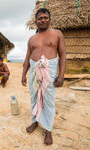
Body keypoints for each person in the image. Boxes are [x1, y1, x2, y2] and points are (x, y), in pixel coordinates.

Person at [21, 8, 66, 145]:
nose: (43, 20)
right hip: (34, 70)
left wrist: (61, 75)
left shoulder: (57, 34)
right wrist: (23, 74)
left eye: (45, 17)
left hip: (49, 70)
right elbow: (27, 58)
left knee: (48, 99)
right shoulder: (31, 39)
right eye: (40, 18)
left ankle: (48, 129)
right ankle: (35, 121)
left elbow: (63, 55)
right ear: (36, 21)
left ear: (49, 19)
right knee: (34, 96)